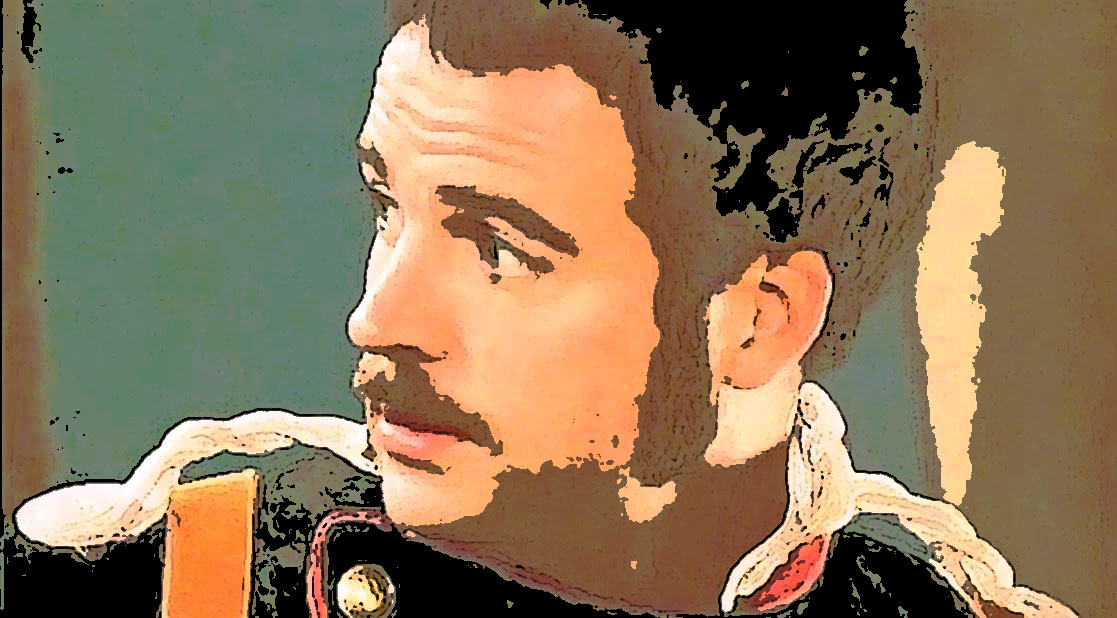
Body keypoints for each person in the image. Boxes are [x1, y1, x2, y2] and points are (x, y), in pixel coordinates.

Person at [4, 2, 1076, 617]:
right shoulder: (194, 581)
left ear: (760, 320)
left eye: (501, 250)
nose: (377, 320)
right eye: (387, 208)